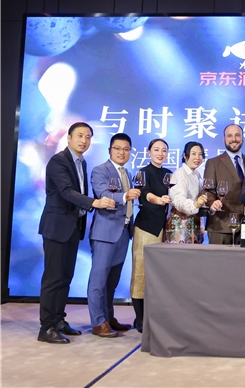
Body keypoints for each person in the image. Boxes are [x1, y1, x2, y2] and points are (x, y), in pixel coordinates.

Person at [37, 122, 115, 344]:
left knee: (65, 277)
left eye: (88, 137)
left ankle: (58, 320)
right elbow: (66, 191)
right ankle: (46, 327)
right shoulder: (58, 161)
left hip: (73, 227)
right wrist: (94, 203)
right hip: (57, 227)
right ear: (69, 138)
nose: (84, 140)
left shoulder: (81, 162)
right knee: (53, 278)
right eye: (80, 135)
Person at [88, 133, 141, 338]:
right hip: (105, 232)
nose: (122, 152)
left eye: (126, 149)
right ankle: (97, 322)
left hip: (123, 232)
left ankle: (108, 317)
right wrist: (125, 196)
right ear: (109, 150)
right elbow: (103, 194)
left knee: (112, 281)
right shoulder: (100, 170)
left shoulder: (127, 173)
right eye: (117, 148)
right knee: (98, 279)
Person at [130, 139, 172, 333]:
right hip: (146, 227)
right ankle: (139, 318)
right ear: (148, 152)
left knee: (158, 276)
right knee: (140, 273)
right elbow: (144, 194)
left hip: (164, 229)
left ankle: (153, 315)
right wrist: (158, 200)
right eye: (156, 150)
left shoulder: (169, 174)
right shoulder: (142, 172)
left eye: (164, 150)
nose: (160, 153)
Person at [204, 124, 245, 244]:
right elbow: (207, 191)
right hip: (221, 225)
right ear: (224, 139)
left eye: (237, 135)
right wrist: (212, 203)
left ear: (243, 138)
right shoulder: (213, 163)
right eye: (229, 136)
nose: (234, 139)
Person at [164, 141, 209, 244]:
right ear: (185, 155)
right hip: (180, 223)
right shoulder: (179, 174)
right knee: (180, 253)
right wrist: (196, 204)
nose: (197, 158)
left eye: (200, 154)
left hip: (194, 222)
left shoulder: (197, 174)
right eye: (193, 154)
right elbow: (179, 202)